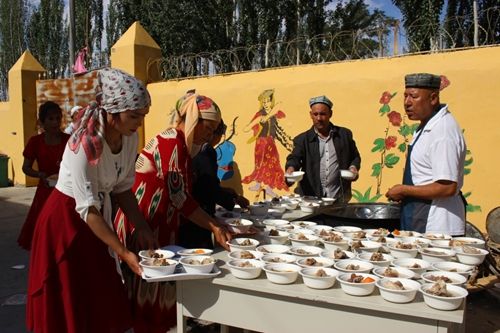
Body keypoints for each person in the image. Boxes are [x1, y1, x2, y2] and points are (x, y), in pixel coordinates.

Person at [27, 68, 156, 333]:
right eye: (134, 116)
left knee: (100, 295)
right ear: (112, 112)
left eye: (142, 116)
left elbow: (122, 189)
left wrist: (141, 226)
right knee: (70, 298)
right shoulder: (83, 144)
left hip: (96, 222)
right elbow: (87, 209)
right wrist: (123, 252)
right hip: (66, 223)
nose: (139, 123)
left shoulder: (129, 139)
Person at [113, 91, 232, 333]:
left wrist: (214, 221)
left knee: (157, 293)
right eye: (207, 128)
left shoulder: (185, 147)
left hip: (160, 224)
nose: (210, 136)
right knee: (145, 292)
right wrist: (214, 226)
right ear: (192, 120)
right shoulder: (172, 142)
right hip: (144, 223)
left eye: (213, 130)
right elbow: (179, 197)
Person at [386, 73, 467, 235]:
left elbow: (447, 187)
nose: (407, 103)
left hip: (437, 226)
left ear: (433, 98)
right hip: (419, 216)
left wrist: (404, 190)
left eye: (414, 97)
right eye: (405, 96)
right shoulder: (426, 126)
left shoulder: (442, 132)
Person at [179, 119, 250, 249]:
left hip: (187, 212)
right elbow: (210, 189)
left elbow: (204, 181)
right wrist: (232, 200)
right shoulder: (207, 151)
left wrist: (227, 191)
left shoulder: (191, 147)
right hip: (199, 214)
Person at [285, 95, 361, 203]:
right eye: (315, 114)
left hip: (339, 198)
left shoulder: (344, 135)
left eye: (323, 114)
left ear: (330, 114)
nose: (319, 118)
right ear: (311, 115)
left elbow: (355, 156)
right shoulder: (302, 139)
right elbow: (295, 158)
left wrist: (353, 168)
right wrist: (290, 169)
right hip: (311, 201)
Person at [17, 101, 71, 250]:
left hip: (66, 191)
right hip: (45, 192)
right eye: (51, 119)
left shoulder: (69, 140)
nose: (55, 122)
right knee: (43, 235)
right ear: (42, 122)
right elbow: (26, 167)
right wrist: (40, 174)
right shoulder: (35, 142)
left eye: (58, 118)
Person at [242, 89, 292, 198]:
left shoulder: (272, 114)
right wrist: (257, 121)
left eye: (267, 101)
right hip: (261, 142)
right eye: (263, 102)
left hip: (270, 142)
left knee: (273, 165)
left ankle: (269, 188)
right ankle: (258, 183)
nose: (265, 104)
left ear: (271, 102)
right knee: (260, 164)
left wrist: (267, 117)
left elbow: (279, 105)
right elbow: (246, 128)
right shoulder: (259, 115)